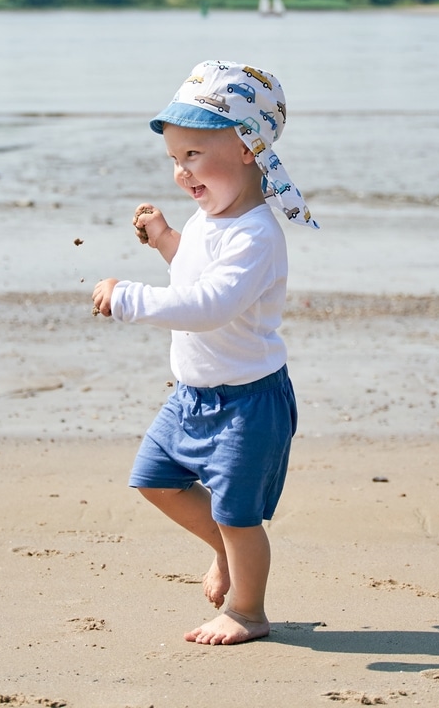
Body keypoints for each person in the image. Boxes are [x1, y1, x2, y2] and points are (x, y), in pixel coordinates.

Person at [92, 60, 316, 645]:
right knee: (154, 480)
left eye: (193, 155)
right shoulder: (207, 221)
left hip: (249, 402)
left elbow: (212, 304)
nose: (180, 172)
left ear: (247, 148)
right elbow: (192, 273)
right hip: (192, 395)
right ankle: (223, 551)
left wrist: (131, 299)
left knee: (239, 516)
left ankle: (248, 611)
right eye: (174, 159)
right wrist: (166, 238)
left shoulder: (256, 235)